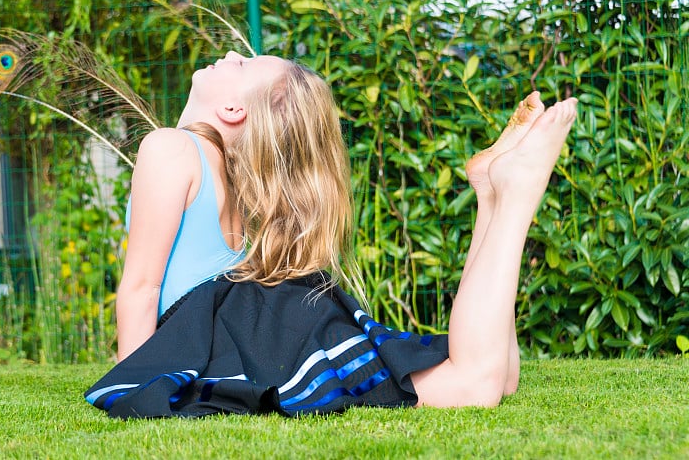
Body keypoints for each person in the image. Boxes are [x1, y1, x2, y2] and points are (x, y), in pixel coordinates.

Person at [88, 50, 577, 417]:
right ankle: (489, 197)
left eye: (244, 65)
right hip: (254, 314)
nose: (232, 54)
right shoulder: (220, 165)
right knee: (495, 377)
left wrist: (138, 378)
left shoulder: (169, 147)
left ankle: (513, 198)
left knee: (474, 386)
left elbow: (142, 286)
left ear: (235, 112)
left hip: (235, 319)